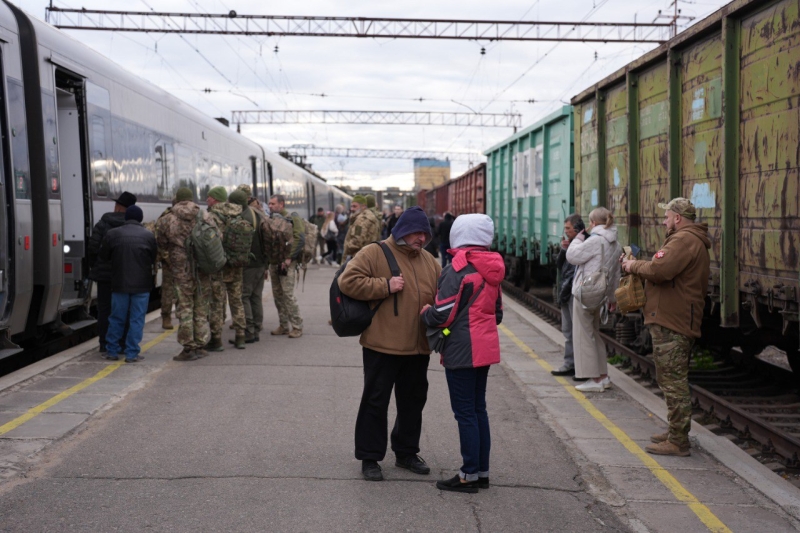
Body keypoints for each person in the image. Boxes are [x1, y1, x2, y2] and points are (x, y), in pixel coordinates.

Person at [338, 205, 441, 482]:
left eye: (425, 234)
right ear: (403, 231)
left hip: (418, 347)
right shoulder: (375, 252)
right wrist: (385, 285)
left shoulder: (429, 260)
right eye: (417, 233)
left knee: (412, 402)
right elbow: (348, 281)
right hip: (382, 345)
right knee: (375, 402)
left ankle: (406, 453)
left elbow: (442, 293)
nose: (422, 238)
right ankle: (369, 458)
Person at [421, 214, 504, 493]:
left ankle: (467, 476)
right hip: (486, 346)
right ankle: (481, 472)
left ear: (458, 234)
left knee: (465, 412)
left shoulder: (457, 269)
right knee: (478, 409)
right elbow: (498, 314)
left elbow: (443, 314)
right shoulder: (493, 267)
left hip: (462, 349)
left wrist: (426, 314)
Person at [622, 198, 710, 457]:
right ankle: (675, 431)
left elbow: (660, 270)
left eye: (667, 216)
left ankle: (679, 441)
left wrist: (631, 266)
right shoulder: (687, 239)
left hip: (673, 320)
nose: (664, 221)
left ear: (678, 218)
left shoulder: (683, 240)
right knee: (670, 378)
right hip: (674, 316)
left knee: (673, 381)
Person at [155, 187, 217, 361]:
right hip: (202, 268)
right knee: (201, 306)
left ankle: (188, 347)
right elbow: (216, 236)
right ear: (192, 200)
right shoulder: (205, 215)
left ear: (176, 200)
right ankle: (200, 344)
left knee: (184, 307)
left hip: (180, 270)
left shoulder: (167, 219)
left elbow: (160, 242)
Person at [566, 207, 621, 392]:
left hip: (585, 293)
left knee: (584, 335)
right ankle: (603, 376)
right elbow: (615, 275)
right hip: (601, 295)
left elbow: (572, 256)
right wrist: (612, 298)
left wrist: (578, 239)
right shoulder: (616, 244)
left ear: (594, 223)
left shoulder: (595, 241)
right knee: (595, 333)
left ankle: (594, 379)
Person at [98, 205, 157, 363]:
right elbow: (153, 258)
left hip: (119, 284)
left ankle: (112, 351)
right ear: (140, 218)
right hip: (142, 286)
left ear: (126, 218)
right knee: (136, 319)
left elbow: (104, 256)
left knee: (117, 318)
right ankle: (132, 353)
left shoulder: (113, 234)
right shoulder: (148, 236)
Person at [88, 191, 137, 353]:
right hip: (126, 276)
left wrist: (95, 265)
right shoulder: (133, 227)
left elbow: (93, 248)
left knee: (105, 311)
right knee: (125, 310)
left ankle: (104, 344)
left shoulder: (103, 223)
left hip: (104, 276)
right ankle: (122, 344)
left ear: (117, 206)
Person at [206, 187, 249, 350]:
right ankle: (240, 337)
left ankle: (216, 339)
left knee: (217, 303)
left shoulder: (212, 216)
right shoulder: (238, 213)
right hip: (236, 265)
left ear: (216, 199)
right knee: (237, 301)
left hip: (219, 266)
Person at [551, 214, 585, 377]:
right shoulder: (570, 245)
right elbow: (559, 266)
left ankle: (577, 366)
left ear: (576, 229)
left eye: (568, 229)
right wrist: (563, 250)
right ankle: (570, 363)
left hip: (573, 292)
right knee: (567, 331)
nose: (566, 232)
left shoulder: (581, 245)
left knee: (575, 331)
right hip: (566, 292)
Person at [267, 194, 304, 338]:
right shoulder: (271, 219)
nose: (270, 206)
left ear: (281, 204)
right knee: (277, 295)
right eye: (269, 204)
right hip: (274, 262)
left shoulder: (293, 217)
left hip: (287, 262)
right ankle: (283, 325)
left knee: (288, 295)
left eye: (273, 204)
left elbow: (299, 238)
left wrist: (289, 258)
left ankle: (297, 326)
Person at [231, 189, 266, 344]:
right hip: (261, 263)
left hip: (250, 264)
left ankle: (249, 331)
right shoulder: (257, 213)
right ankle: (256, 328)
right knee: (256, 296)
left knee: (244, 296)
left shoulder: (243, 217)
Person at [155, 199, 178, 331]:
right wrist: (169, 259)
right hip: (170, 262)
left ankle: (181, 315)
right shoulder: (165, 219)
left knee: (184, 290)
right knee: (168, 291)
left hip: (185, 262)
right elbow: (160, 243)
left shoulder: (190, 218)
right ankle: (166, 316)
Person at [343, 194, 382, 259]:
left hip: (358, 258)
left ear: (363, 206)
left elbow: (356, 241)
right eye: (351, 206)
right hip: (368, 256)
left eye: (355, 206)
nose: (352, 209)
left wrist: (347, 249)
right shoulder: (370, 216)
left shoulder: (361, 220)